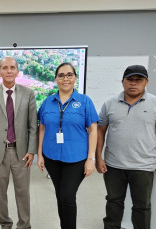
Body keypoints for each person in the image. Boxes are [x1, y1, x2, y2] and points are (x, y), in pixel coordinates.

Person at [96, 65, 156, 229]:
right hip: (113, 165)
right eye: (129, 80)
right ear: (122, 82)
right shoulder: (109, 104)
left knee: (142, 207)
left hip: (143, 166)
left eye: (139, 80)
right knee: (113, 202)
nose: (133, 83)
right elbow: (100, 131)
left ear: (146, 82)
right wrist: (98, 158)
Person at [37, 62, 99, 229]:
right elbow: (42, 128)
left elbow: (93, 130)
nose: (65, 78)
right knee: (60, 196)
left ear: (75, 78)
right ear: (56, 79)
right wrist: (40, 155)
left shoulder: (85, 101)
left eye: (69, 75)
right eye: (61, 75)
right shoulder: (47, 102)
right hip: (51, 156)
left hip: (77, 157)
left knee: (67, 195)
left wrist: (90, 158)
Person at [0, 57, 38, 229]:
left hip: (21, 153)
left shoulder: (29, 94)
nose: (9, 71)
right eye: (5, 68)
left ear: (17, 71)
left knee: (23, 193)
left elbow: (32, 126)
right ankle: (5, 224)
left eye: (12, 67)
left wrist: (31, 151)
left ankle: (24, 225)